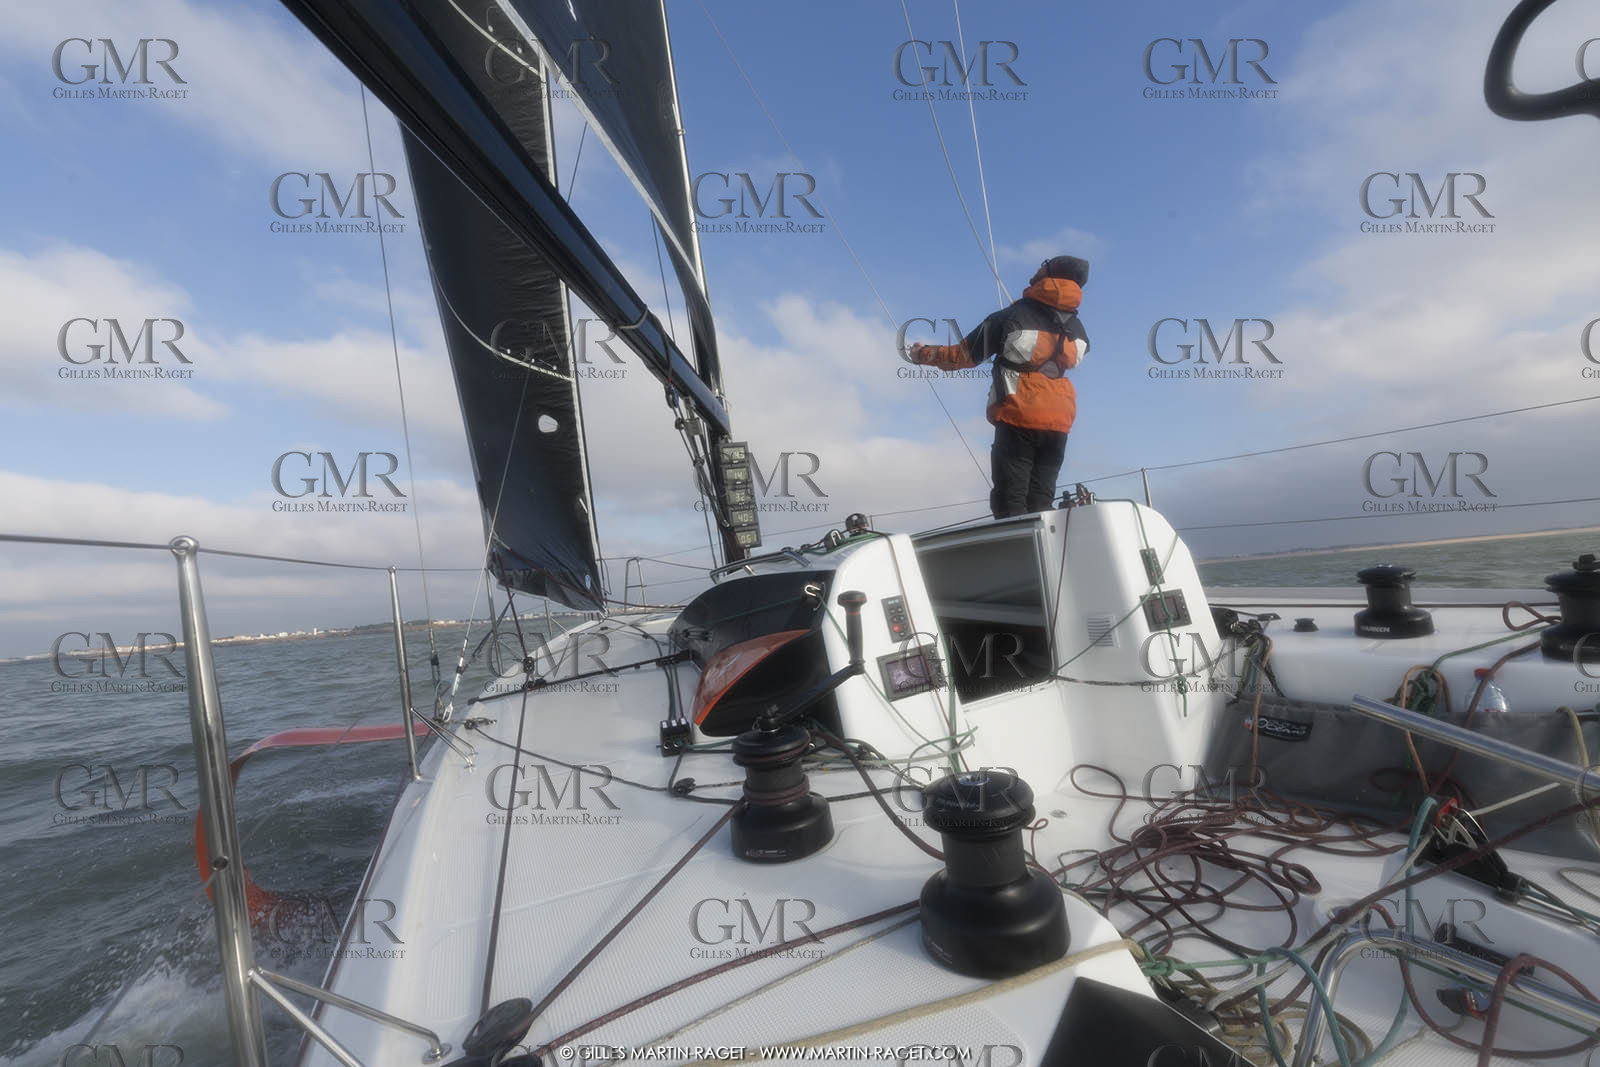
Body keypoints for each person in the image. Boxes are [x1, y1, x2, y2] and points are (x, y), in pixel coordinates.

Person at [907, 255, 1090, 518]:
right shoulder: (1079, 328)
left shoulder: (1011, 317)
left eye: (1041, 266)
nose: (1033, 273)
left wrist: (923, 354)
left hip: (1019, 415)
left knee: (1010, 501)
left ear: (1049, 274)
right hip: (1060, 420)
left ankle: (1019, 554)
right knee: (1041, 500)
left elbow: (963, 356)